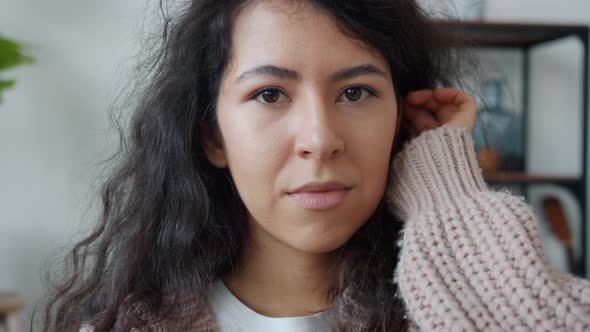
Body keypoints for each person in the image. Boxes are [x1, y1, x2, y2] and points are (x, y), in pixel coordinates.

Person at [38, 0, 590, 331]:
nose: (321, 140)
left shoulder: (443, 308)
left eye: (355, 92)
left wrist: (445, 190)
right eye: (271, 95)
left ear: (401, 117)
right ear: (213, 136)